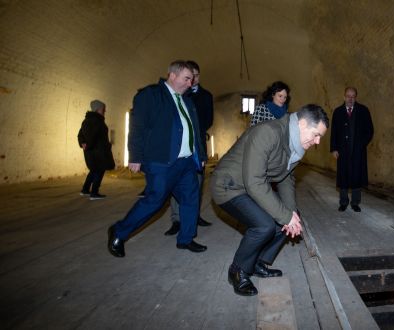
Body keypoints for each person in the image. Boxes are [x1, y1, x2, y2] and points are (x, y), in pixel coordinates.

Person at [210, 104, 329, 296]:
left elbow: (286, 178)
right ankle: (238, 271)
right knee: (264, 225)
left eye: (320, 138)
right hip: (229, 186)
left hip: (250, 187)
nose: (317, 142)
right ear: (303, 123)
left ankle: (258, 262)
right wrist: (285, 216)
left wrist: (290, 214)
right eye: (316, 135)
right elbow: (254, 181)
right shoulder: (268, 132)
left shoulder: (296, 144)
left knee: (291, 216)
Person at [107, 60, 207, 258]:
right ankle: (119, 231)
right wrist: (135, 156)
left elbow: (195, 128)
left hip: (186, 162)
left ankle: (186, 239)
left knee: (190, 199)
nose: (190, 83)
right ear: (172, 75)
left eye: (192, 80)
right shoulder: (150, 95)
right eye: (187, 78)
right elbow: (138, 127)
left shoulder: (186, 100)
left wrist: (201, 155)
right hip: (162, 161)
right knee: (155, 200)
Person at [164, 60, 214, 236]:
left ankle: (194, 216)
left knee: (197, 183)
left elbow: (209, 120)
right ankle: (177, 219)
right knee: (175, 183)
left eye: (196, 76)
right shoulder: (178, 93)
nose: (192, 80)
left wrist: (193, 130)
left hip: (197, 145)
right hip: (178, 147)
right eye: (189, 76)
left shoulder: (206, 95)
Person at [330, 87, 374, 212]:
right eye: (348, 96)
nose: (350, 99)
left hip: (357, 150)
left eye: (353, 96)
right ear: (344, 96)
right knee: (343, 175)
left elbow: (369, 131)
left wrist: (362, 144)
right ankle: (343, 202)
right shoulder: (337, 112)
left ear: (356, 97)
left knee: (357, 175)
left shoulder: (364, 111)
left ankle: (355, 202)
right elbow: (334, 132)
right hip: (342, 150)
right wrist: (334, 148)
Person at [78, 100, 115, 200]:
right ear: (98, 109)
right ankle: (94, 193)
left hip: (91, 152)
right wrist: (105, 146)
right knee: (99, 170)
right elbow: (93, 137)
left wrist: (83, 143)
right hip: (98, 152)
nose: (105, 111)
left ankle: (85, 190)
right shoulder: (97, 121)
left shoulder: (86, 120)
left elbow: (80, 134)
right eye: (103, 109)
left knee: (93, 170)